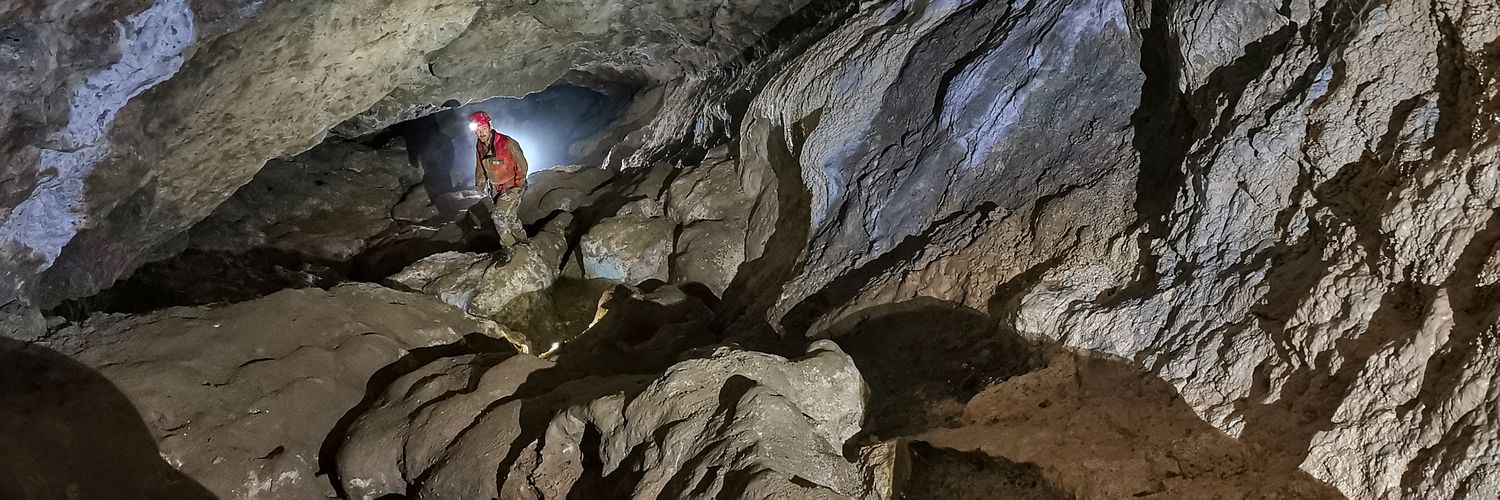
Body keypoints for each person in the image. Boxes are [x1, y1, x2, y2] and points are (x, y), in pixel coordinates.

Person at [470, 111, 528, 199]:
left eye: (484, 128)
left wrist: (517, 187)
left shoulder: (507, 143)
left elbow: (522, 166)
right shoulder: (480, 145)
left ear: (490, 127)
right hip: (495, 189)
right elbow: (480, 167)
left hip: (511, 187)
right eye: (478, 130)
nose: (481, 133)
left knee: (499, 213)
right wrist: (480, 187)